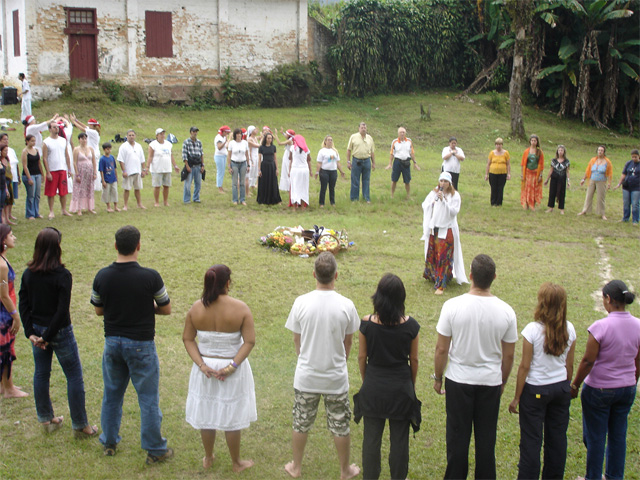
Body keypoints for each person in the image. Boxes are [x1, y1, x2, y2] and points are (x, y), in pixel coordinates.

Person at [90, 225, 173, 463]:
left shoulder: (102, 276)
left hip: (112, 343)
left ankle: (109, 442)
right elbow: (166, 309)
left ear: (115, 246)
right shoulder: (150, 277)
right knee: (147, 398)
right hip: (141, 345)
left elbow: (98, 310)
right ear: (138, 246)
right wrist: (148, 308)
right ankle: (155, 450)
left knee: (112, 394)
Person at [433, 254, 517, 479]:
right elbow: (508, 356)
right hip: (490, 382)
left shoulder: (452, 306)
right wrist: (503, 381)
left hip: (459, 381)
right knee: (486, 442)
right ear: (494, 278)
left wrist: (438, 377)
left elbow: (441, 349)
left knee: (457, 441)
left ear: (470, 276)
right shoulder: (507, 311)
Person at [284, 252, 360, 480]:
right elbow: (348, 343)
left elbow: (297, 341)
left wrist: (305, 358)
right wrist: (338, 360)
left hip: (306, 375)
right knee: (340, 424)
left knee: (301, 421)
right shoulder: (346, 305)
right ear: (336, 275)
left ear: (314, 275)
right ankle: (344, 470)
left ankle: (296, 467)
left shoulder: (301, 302)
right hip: (335, 377)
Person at [19, 227, 97, 436]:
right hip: (59, 332)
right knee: (74, 376)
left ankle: (46, 418)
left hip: (38, 331)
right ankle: (80, 425)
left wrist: (32, 334)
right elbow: (62, 311)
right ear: (57, 248)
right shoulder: (62, 275)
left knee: (41, 374)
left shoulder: (29, 274)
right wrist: (46, 336)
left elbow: (23, 304)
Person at [183, 264, 256, 472]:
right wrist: (232, 366)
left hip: (205, 370)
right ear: (228, 283)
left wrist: (202, 365)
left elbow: (187, 338)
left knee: (207, 412)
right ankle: (236, 462)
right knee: (231, 415)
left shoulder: (196, 308)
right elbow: (249, 341)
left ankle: (208, 457)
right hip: (230, 368)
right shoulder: (241, 308)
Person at [570, 280, 639, 480]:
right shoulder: (638, 325)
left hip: (599, 390)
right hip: (626, 388)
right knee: (618, 436)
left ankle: (593, 477)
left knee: (595, 437)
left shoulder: (600, 327)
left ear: (608, 299)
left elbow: (588, 360)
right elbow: (638, 359)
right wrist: (632, 381)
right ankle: (614, 476)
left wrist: (575, 385)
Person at [508, 282, 576, 480]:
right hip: (560, 388)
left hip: (536, 390)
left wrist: (516, 398)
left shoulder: (532, 330)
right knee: (557, 441)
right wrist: (565, 387)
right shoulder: (569, 329)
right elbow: (569, 367)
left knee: (531, 442)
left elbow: (524, 367)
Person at [355, 274, 420, 480]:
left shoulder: (367, 324)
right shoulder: (411, 327)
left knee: (371, 439)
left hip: (374, 386)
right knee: (400, 440)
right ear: (401, 298)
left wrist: (368, 381)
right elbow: (414, 360)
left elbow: (362, 357)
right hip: (401, 388)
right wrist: (410, 384)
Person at [421, 172, 467, 295]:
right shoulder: (434, 193)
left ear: (449, 183)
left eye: (445, 181)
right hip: (434, 228)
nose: (443, 183)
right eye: (441, 181)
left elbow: (453, 212)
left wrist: (444, 201)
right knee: (433, 253)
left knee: (443, 256)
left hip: (447, 229)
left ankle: (441, 284)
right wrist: (432, 203)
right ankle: (433, 275)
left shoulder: (455, 196)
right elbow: (425, 204)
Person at [0, 225, 27, 398]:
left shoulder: (3, 260)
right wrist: (15, 316)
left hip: (5, 311)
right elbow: (3, 295)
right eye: (10, 235)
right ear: (3, 240)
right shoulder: (2, 265)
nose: (14, 238)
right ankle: (9, 389)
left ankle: (5, 386)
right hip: (4, 314)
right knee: (5, 349)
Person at [42, 122, 73, 219]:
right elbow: (44, 158)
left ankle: (64, 209)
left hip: (62, 169)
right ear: (50, 129)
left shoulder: (63, 140)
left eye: (58, 127)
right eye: (54, 127)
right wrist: (48, 172)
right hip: (52, 170)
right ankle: (51, 211)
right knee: (51, 192)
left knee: (63, 191)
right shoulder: (46, 142)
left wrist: (69, 169)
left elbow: (66, 155)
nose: (57, 129)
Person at [577, 145, 613, 220]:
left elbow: (610, 173)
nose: (600, 152)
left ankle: (602, 213)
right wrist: (583, 179)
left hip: (601, 181)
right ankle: (585, 210)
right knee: (589, 195)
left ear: (604, 152)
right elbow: (588, 170)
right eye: (599, 150)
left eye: (601, 150)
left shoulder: (607, 162)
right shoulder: (593, 160)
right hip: (592, 180)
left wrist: (609, 183)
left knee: (601, 197)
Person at [148, 128, 179, 207]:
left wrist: (175, 165)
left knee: (166, 186)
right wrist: (147, 167)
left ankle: (165, 201)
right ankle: (156, 202)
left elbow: (171, 155)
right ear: (157, 135)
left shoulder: (168, 144)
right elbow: (150, 156)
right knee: (157, 186)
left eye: (163, 134)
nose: (162, 135)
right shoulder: (153, 144)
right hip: (157, 168)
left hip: (167, 168)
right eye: (160, 134)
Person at [70, 115, 102, 192]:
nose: (88, 125)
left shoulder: (93, 132)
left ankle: (95, 186)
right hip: (93, 152)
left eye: (89, 124)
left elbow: (82, 129)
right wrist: (76, 120)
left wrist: (73, 122)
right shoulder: (93, 130)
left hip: (93, 152)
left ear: (92, 125)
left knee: (94, 169)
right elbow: (85, 127)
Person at [116, 129, 147, 210]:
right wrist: (124, 171)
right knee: (127, 189)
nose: (131, 137)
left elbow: (142, 159)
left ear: (135, 136)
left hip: (137, 171)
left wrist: (143, 170)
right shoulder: (123, 146)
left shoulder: (139, 146)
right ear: (126, 136)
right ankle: (125, 205)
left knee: (138, 189)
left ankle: (139, 204)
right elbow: (121, 160)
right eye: (129, 135)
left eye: (133, 135)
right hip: (128, 171)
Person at [69, 132, 97, 216]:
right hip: (81, 171)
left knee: (89, 188)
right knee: (79, 189)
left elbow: (94, 161)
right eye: (82, 138)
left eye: (85, 138)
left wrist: (94, 172)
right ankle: (79, 208)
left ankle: (90, 207)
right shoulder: (76, 150)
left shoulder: (90, 149)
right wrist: (77, 174)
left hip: (89, 171)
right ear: (79, 140)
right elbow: (74, 162)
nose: (84, 140)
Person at [387, 127, 420, 199]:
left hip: (406, 162)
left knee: (407, 181)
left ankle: (408, 195)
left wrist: (415, 163)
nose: (402, 134)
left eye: (403, 132)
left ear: (405, 133)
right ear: (398, 133)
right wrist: (390, 163)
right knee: (394, 180)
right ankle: (392, 195)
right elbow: (392, 153)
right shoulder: (394, 142)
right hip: (397, 162)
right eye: (401, 132)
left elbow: (412, 153)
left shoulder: (409, 141)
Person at [347, 122, 375, 203]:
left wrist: (373, 163)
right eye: (362, 127)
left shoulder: (370, 138)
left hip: (367, 161)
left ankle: (366, 198)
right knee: (355, 180)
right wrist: (348, 162)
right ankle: (354, 198)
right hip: (356, 161)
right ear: (359, 128)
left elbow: (372, 152)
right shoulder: (353, 137)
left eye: (365, 127)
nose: (363, 129)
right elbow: (349, 150)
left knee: (366, 180)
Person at [315, 135, 345, 207]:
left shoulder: (334, 151)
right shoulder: (322, 151)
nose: (330, 141)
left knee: (332, 188)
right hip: (324, 171)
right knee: (323, 187)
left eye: (331, 140)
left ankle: (332, 202)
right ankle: (321, 203)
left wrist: (341, 171)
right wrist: (317, 172)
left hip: (333, 171)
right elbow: (319, 163)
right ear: (325, 141)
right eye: (328, 140)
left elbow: (337, 162)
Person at [613, 148, 640, 225]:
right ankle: (625, 218)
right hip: (626, 186)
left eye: (635, 157)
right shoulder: (628, 163)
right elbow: (624, 174)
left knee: (635, 204)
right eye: (632, 157)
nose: (634, 158)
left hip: (637, 187)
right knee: (626, 202)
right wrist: (619, 183)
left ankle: (635, 220)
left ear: (639, 156)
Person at [21, 134, 44, 219]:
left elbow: (39, 163)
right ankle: (30, 213)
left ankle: (36, 212)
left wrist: (42, 174)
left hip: (37, 174)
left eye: (34, 141)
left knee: (37, 195)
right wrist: (29, 178)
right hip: (30, 175)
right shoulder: (25, 152)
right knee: (31, 195)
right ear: (27, 142)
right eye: (32, 141)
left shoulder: (36, 150)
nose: (33, 142)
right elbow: (25, 166)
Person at [520, 134, 545, 211]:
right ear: (530, 141)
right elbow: (523, 163)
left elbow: (541, 165)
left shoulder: (539, 152)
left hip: (535, 173)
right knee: (527, 188)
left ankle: (532, 205)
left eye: (535, 141)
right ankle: (526, 204)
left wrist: (540, 175)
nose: (533, 142)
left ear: (537, 142)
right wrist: (522, 174)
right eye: (532, 140)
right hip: (527, 173)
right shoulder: (526, 151)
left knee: (534, 188)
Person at [544, 145, 571, 214]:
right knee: (552, 192)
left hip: (562, 178)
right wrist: (547, 179)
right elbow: (551, 170)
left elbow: (567, 171)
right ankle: (551, 207)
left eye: (562, 150)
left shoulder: (566, 161)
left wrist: (568, 181)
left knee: (562, 193)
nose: (560, 152)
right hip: (554, 178)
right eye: (559, 150)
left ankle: (561, 208)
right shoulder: (554, 161)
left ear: (564, 151)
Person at [256, 132, 281, 205]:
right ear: (265, 139)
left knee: (273, 182)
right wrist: (259, 169)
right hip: (264, 166)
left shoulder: (273, 147)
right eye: (268, 138)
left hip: (272, 166)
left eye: (271, 138)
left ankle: (275, 199)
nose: (270, 140)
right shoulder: (261, 147)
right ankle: (263, 199)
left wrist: (277, 168)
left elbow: (275, 158)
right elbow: (259, 159)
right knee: (264, 182)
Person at [485, 138, 511, 206]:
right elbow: (488, 164)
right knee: (493, 187)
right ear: (495, 145)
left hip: (502, 173)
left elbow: (508, 164)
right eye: (497, 144)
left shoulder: (506, 153)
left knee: (500, 188)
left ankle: (499, 203)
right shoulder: (492, 153)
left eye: (500, 144)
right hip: (492, 173)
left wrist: (508, 174)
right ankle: (493, 202)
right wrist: (486, 174)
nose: (498, 146)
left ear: (502, 145)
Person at [227, 128, 250, 205]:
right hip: (234, 163)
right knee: (234, 182)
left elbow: (247, 154)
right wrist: (229, 166)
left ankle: (242, 199)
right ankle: (235, 199)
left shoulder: (245, 143)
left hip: (243, 163)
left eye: (240, 134)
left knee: (242, 182)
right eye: (237, 134)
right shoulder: (231, 143)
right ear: (235, 135)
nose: (239, 135)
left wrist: (248, 164)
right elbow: (229, 155)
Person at [182, 126, 204, 204]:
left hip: (198, 165)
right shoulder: (186, 142)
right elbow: (184, 155)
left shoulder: (199, 142)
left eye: (196, 132)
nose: (195, 133)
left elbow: (201, 154)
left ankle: (196, 197)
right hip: (190, 165)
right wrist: (187, 166)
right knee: (188, 184)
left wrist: (202, 165)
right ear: (190, 132)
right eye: (194, 131)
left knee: (198, 183)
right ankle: (186, 199)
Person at [288, 134, 312, 209]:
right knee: (303, 187)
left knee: (295, 187)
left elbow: (290, 158)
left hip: (295, 169)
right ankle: (302, 206)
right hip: (304, 169)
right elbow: (309, 159)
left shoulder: (292, 148)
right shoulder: (306, 149)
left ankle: (295, 207)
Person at [98, 142, 119, 212]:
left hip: (113, 178)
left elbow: (115, 168)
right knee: (106, 193)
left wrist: (116, 177)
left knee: (115, 192)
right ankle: (108, 207)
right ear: (104, 150)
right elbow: (101, 170)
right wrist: (103, 180)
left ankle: (115, 206)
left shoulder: (112, 157)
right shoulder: (102, 159)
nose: (109, 150)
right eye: (107, 149)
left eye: (110, 149)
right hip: (106, 179)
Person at [275, 128, 295, 192]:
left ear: (289, 135)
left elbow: (279, 143)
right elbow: (287, 136)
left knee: (287, 171)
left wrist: (276, 134)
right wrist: (282, 133)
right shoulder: (291, 139)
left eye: (286, 133)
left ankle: (289, 187)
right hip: (287, 155)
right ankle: (288, 187)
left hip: (288, 156)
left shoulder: (289, 141)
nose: (285, 134)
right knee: (286, 170)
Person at [214, 126, 231, 193]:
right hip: (219, 156)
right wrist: (225, 141)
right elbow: (219, 147)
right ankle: (219, 188)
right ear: (223, 132)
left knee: (222, 171)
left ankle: (220, 186)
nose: (227, 134)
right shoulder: (218, 138)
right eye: (226, 133)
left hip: (223, 156)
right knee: (220, 172)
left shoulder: (223, 137)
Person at [1, 145, 15, 225]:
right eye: (5, 151)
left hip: (9, 181)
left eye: (7, 151)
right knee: (3, 202)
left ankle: (7, 218)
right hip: (3, 182)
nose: (6, 152)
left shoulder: (7, 159)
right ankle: (3, 219)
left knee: (8, 201)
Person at [246, 126, 260, 196]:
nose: (256, 130)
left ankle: (252, 184)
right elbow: (253, 148)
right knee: (251, 172)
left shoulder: (254, 138)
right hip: (252, 157)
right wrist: (251, 160)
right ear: (251, 131)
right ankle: (247, 187)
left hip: (256, 156)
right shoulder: (250, 139)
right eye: (254, 129)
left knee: (255, 172)